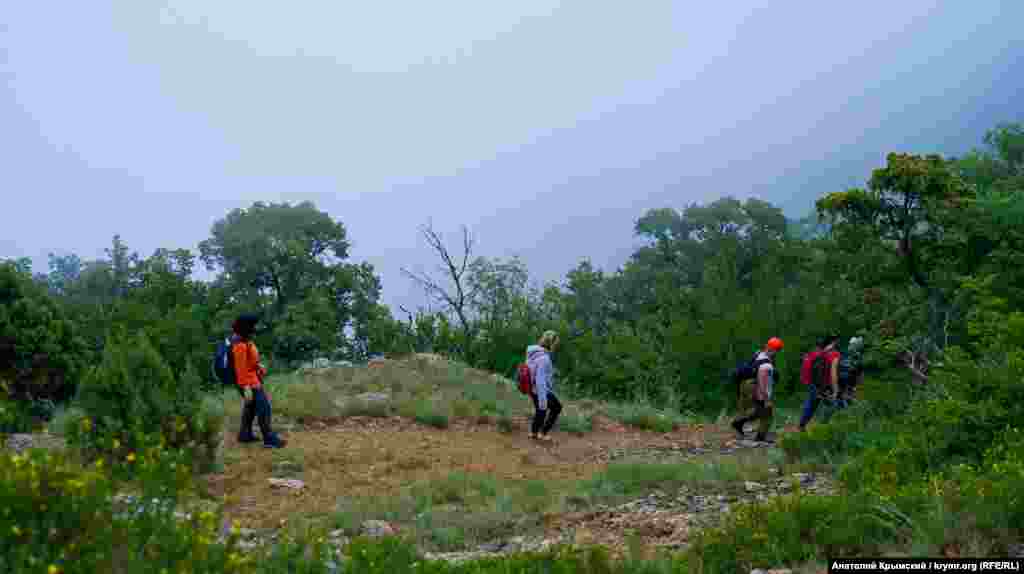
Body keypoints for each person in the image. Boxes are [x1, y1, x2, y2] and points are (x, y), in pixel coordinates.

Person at [232, 313, 286, 448]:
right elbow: (240, 369)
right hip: (248, 383)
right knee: (264, 407)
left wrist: (257, 366)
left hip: (252, 379)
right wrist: (246, 387)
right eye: (253, 326)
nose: (255, 329)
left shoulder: (245, 341)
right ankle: (269, 438)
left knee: (251, 407)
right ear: (246, 328)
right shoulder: (239, 345)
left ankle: (245, 435)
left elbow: (249, 361)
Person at [731, 337, 784, 443]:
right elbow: (762, 383)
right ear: (775, 350)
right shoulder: (766, 365)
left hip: (746, 385)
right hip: (754, 387)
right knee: (767, 414)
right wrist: (766, 398)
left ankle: (740, 423)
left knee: (759, 411)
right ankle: (759, 436)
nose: (777, 353)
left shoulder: (759, 353)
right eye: (777, 350)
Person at [798, 334, 841, 432]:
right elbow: (833, 373)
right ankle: (823, 428)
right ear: (833, 342)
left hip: (812, 383)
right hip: (824, 385)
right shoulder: (834, 354)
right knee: (831, 404)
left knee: (812, 403)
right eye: (837, 341)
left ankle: (802, 425)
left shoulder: (818, 352)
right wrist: (835, 390)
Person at [526, 330, 562, 442]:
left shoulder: (533, 352)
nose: (556, 346)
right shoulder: (544, 358)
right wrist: (543, 399)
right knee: (555, 407)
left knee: (540, 410)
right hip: (540, 389)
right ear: (551, 343)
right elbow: (540, 380)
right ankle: (542, 433)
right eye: (555, 343)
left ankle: (533, 433)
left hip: (531, 387)